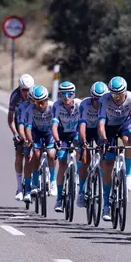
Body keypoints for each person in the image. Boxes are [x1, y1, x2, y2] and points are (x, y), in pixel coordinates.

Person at [97, 76, 131, 222]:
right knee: (108, 163)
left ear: (125, 92)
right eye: (113, 94)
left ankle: (127, 176)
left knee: (129, 140)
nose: (116, 97)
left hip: (124, 125)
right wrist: (103, 140)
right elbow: (101, 123)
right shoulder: (104, 99)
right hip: (108, 127)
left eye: (119, 94)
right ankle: (106, 205)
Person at [51, 82, 82, 213]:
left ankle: (80, 175)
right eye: (63, 94)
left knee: (80, 150)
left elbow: (84, 124)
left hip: (75, 133)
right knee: (62, 162)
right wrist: (57, 140)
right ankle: (59, 199)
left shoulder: (80, 105)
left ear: (73, 95)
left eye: (69, 94)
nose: (66, 97)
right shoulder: (56, 106)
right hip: (62, 135)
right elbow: (53, 126)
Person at [77, 81, 108, 207]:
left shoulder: (107, 104)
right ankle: (81, 191)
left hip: (100, 131)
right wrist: (84, 144)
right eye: (96, 99)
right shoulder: (85, 104)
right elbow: (82, 126)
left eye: (101, 100)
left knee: (105, 157)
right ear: (91, 97)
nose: (98, 102)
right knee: (85, 161)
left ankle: (101, 184)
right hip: (87, 130)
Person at [22, 85, 54, 203]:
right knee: (36, 153)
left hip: (49, 132)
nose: (39, 105)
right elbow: (28, 128)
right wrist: (30, 141)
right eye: (36, 102)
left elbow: (57, 125)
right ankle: (34, 184)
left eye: (41, 102)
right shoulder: (30, 109)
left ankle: (52, 181)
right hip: (36, 133)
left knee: (51, 154)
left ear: (46, 100)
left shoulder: (52, 107)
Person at [9, 74, 35, 201]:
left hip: (33, 123)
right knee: (20, 153)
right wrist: (15, 134)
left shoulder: (35, 94)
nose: (26, 93)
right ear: (19, 89)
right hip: (19, 122)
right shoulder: (15, 96)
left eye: (28, 90)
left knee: (32, 156)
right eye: (24, 90)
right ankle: (19, 187)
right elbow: (10, 119)